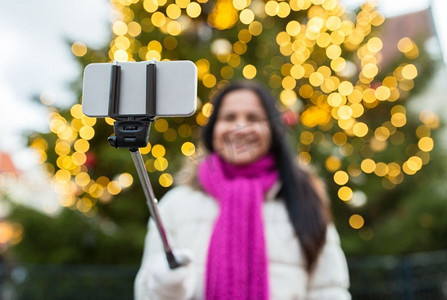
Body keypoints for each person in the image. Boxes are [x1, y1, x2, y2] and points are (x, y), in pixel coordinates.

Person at [134, 81, 351, 300]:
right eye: (229, 118)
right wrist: (166, 289)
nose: (240, 127)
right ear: (213, 131)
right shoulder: (176, 205)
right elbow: (144, 291)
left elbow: (329, 291)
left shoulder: (304, 200)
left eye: (253, 118)